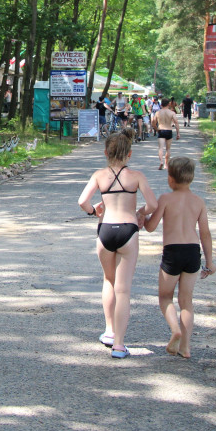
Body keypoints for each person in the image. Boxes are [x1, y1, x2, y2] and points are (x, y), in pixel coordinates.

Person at [77, 131, 157, 359]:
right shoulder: (137, 176)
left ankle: (109, 331)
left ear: (105, 153)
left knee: (108, 281)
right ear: (129, 154)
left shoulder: (99, 175)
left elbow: (82, 201)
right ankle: (119, 345)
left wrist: (94, 211)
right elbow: (152, 203)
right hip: (128, 231)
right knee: (124, 289)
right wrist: (140, 213)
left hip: (105, 231)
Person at [142, 156, 215, 358]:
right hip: (193, 252)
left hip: (173, 252)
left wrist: (143, 216)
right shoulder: (199, 202)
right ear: (191, 178)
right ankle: (185, 346)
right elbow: (205, 233)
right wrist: (209, 261)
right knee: (187, 302)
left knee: (165, 297)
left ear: (170, 179)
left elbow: (150, 227)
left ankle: (175, 329)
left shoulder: (165, 199)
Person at [153, 98, 181, 170]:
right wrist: (178, 133)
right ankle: (166, 164)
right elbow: (176, 123)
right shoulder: (172, 113)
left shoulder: (158, 113)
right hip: (169, 130)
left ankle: (161, 162)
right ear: (168, 104)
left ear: (161, 104)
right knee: (168, 149)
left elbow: (153, 123)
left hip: (161, 130)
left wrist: (156, 129)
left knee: (160, 148)